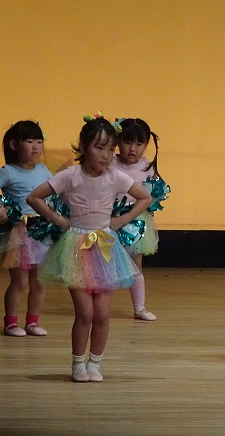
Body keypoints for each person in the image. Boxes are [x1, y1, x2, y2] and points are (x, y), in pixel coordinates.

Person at [27, 115, 152, 382]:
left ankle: (95, 363)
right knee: (85, 313)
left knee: (103, 314)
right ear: (83, 147)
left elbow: (145, 198)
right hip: (76, 247)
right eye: (99, 147)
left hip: (105, 247)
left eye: (110, 148)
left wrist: (120, 221)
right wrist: (59, 220)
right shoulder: (70, 176)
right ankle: (77, 364)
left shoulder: (115, 176)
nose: (106, 154)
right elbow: (34, 197)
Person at [0, 120, 52, 337]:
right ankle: (10, 323)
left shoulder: (43, 170)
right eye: (29, 141)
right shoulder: (8, 171)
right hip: (19, 233)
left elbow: (56, 191)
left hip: (41, 231)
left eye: (39, 141)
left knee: (39, 281)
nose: (35, 146)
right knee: (20, 282)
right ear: (13, 145)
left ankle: (32, 322)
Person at [110, 118, 163, 321]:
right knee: (104, 262)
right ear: (117, 141)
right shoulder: (110, 163)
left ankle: (139, 308)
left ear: (146, 145)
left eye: (139, 144)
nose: (132, 148)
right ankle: (101, 305)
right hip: (109, 218)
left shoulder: (147, 167)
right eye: (127, 142)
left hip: (135, 220)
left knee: (135, 263)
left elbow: (152, 194)